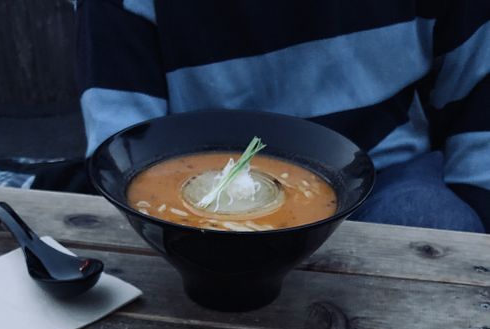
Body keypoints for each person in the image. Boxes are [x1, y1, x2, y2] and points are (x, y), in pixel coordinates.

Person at [76, 0, 490, 232]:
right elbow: (123, 155)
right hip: (198, 197)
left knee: (431, 220)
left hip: (389, 175)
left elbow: (479, 105)